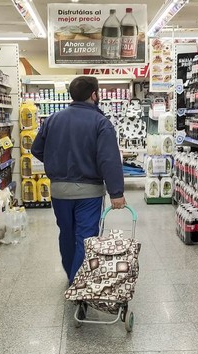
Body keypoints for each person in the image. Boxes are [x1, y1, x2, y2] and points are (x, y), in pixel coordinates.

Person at [31, 76, 126, 285]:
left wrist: (56, 162)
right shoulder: (101, 122)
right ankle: (78, 284)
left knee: (66, 234)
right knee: (86, 237)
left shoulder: (53, 119)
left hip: (59, 191)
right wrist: (116, 192)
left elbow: (36, 149)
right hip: (89, 193)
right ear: (94, 94)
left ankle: (72, 276)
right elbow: (108, 159)